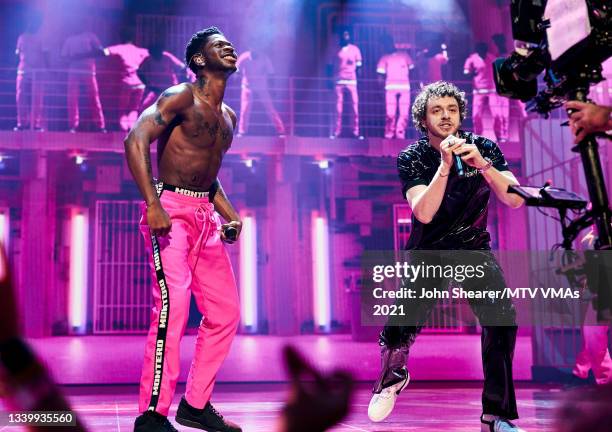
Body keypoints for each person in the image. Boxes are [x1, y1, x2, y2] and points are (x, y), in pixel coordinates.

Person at [367, 81, 526, 432]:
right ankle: (392, 377)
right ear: (423, 119)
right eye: (436, 111)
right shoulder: (412, 157)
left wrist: (482, 164)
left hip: (473, 249)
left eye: (451, 110)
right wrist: (445, 164)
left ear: (461, 115)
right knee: (399, 327)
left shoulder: (484, 147)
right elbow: (423, 213)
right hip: (430, 251)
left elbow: (514, 199)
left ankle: (495, 416)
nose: (445, 116)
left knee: (503, 321)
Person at [124, 26, 243, 432]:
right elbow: (134, 139)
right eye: (218, 46)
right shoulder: (180, 96)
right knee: (172, 310)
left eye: (229, 44)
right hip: (170, 209)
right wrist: (153, 204)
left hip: (205, 217)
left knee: (226, 313)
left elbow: (208, 177)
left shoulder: (228, 116)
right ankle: (151, 415)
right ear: (198, 60)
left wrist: (231, 214)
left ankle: (195, 405)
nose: (228, 48)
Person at [60, 23, 106, 133]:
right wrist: (74, 58)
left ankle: (100, 124)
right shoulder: (69, 40)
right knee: (72, 97)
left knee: (93, 97)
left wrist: (84, 55)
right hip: (74, 71)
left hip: (88, 70)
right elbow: (64, 57)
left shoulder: (90, 36)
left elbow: (101, 52)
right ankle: (73, 125)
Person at [104, 27, 149, 131]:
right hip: (140, 84)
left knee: (122, 109)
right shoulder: (141, 51)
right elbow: (155, 54)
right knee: (134, 109)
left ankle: (124, 131)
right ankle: (132, 128)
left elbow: (105, 52)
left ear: (121, 38)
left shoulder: (119, 48)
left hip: (127, 84)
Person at [464, 42, 509, 142]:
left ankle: (500, 136)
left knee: (497, 114)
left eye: (484, 51)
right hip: (478, 90)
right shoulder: (472, 58)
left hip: (492, 90)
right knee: (476, 115)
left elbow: (499, 70)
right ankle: (478, 136)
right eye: (481, 51)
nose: (483, 53)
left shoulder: (492, 57)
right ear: (477, 51)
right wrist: (470, 74)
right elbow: (465, 72)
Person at [236, 48, 286, 137]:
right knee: (245, 109)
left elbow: (271, 74)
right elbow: (237, 70)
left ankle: (281, 130)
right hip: (247, 86)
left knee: (270, 108)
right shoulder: (243, 57)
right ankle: (242, 132)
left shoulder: (264, 58)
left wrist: (272, 89)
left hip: (261, 86)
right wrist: (237, 75)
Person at [14, 13, 48, 131]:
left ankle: (36, 123)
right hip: (23, 70)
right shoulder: (22, 37)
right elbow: (17, 53)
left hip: (37, 71)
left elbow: (45, 54)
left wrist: (47, 69)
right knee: (21, 96)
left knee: (37, 97)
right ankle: (22, 123)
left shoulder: (41, 38)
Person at [376, 35, 414, 139]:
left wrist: (413, 85)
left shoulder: (404, 56)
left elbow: (413, 72)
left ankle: (400, 134)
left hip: (405, 88)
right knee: (390, 114)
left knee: (404, 114)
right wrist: (381, 89)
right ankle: (389, 135)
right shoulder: (384, 58)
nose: (384, 47)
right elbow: (380, 76)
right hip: (389, 88)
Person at [332, 29, 363, 139]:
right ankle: (336, 132)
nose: (346, 37)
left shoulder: (355, 50)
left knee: (354, 107)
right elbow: (329, 66)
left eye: (347, 34)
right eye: (343, 35)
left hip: (352, 81)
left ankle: (355, 132)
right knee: (338, 109)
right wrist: (329, 80)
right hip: (338, 81)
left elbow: (359, 66)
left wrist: (359, 79)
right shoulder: (335, 49)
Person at [138, 43, 186, 112]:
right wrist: (146, 83)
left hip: (169, 89)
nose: (156, 54)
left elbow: (182, 67)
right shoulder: (148, 59)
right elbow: (139, 71)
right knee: (144, 108)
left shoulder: (167, 57)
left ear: (161, 51)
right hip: (154, 90)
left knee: (172, 108)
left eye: (158, 52)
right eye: (153, 53)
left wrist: (180, 81)